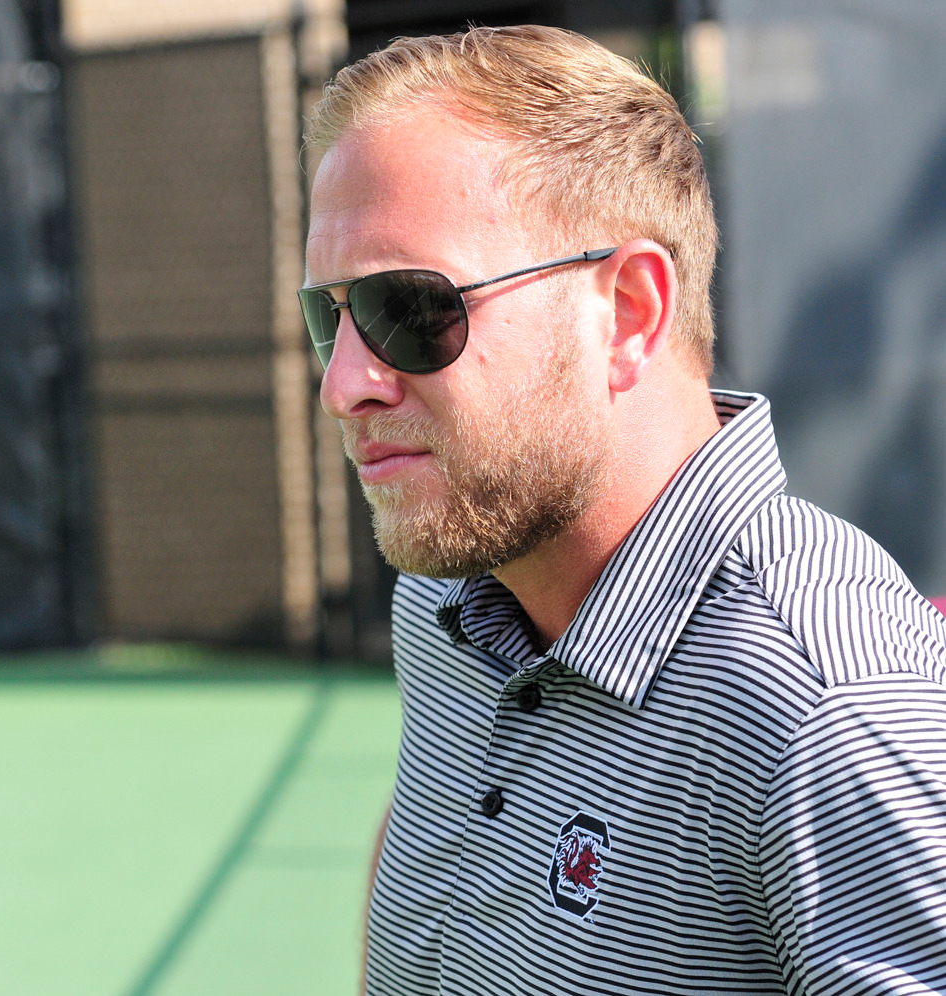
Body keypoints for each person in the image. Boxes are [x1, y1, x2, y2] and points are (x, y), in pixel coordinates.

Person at [299, 25, 946, 996]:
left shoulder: (829, 714)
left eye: (412, 308)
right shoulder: (449, 611)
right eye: (331, 317)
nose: (346, 383)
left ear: (630, 312)